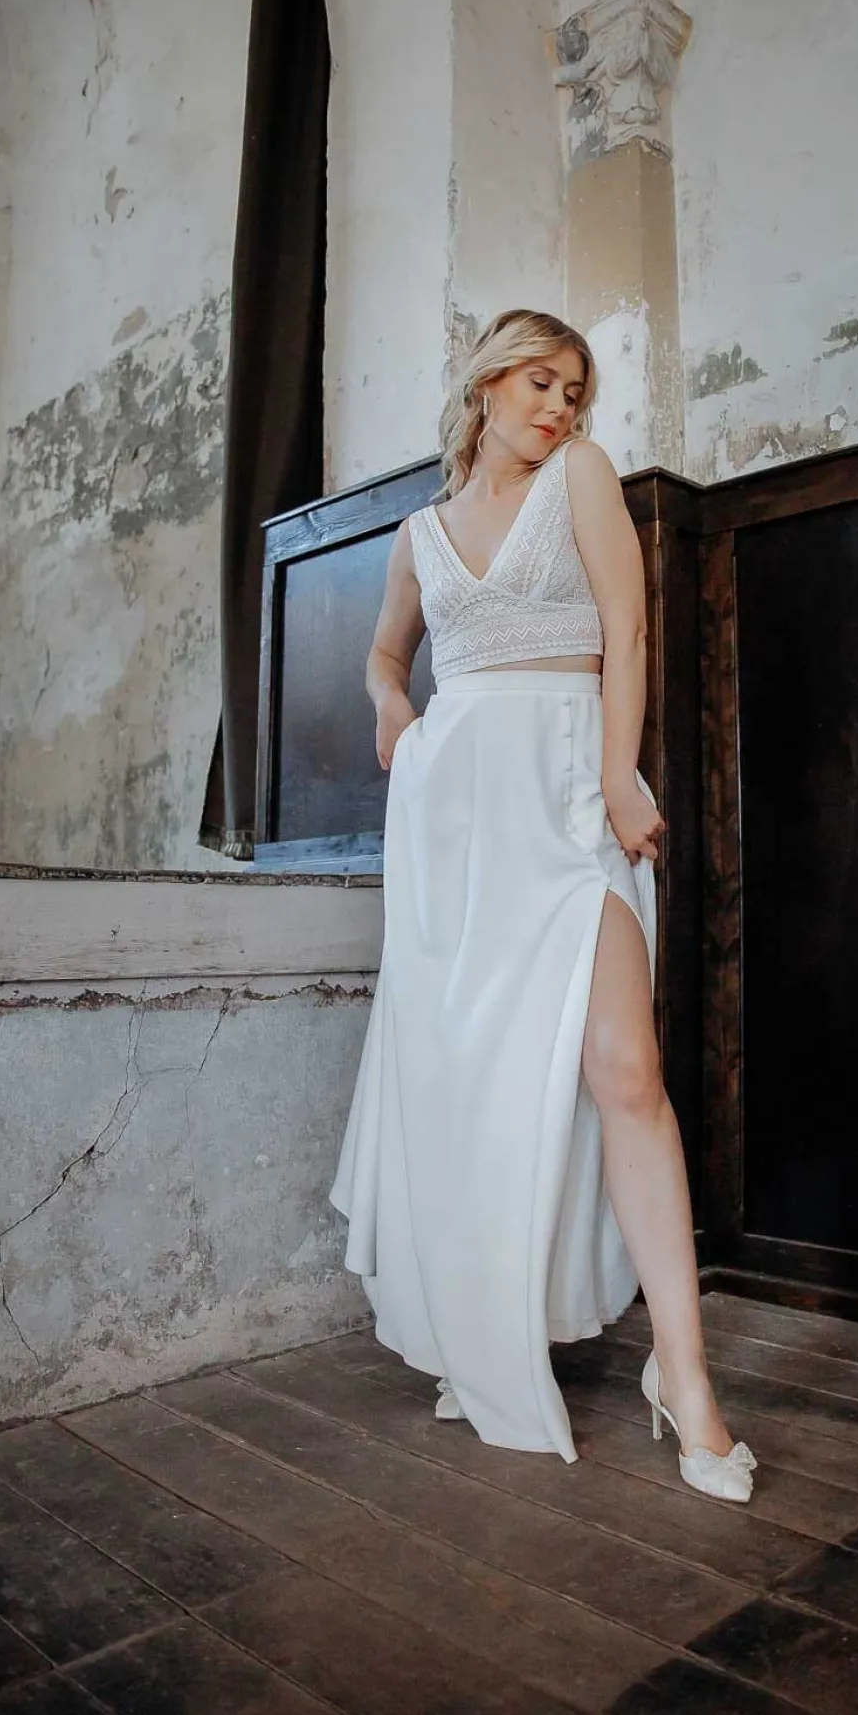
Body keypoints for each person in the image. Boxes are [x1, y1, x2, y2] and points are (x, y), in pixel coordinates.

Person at [330, 309, 756, 1503]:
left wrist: (619, 778)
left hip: (568, 793)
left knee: (626, 1071)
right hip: (454, 821)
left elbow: (627, 626)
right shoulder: (418, 533)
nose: (562, 406)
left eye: (575, 389)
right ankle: (476, 1330)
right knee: (467, 1078)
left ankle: (686, 1377)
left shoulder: (581, 475)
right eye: (540, 382)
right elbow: (384, 656)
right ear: (485, 384)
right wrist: (393, 714)